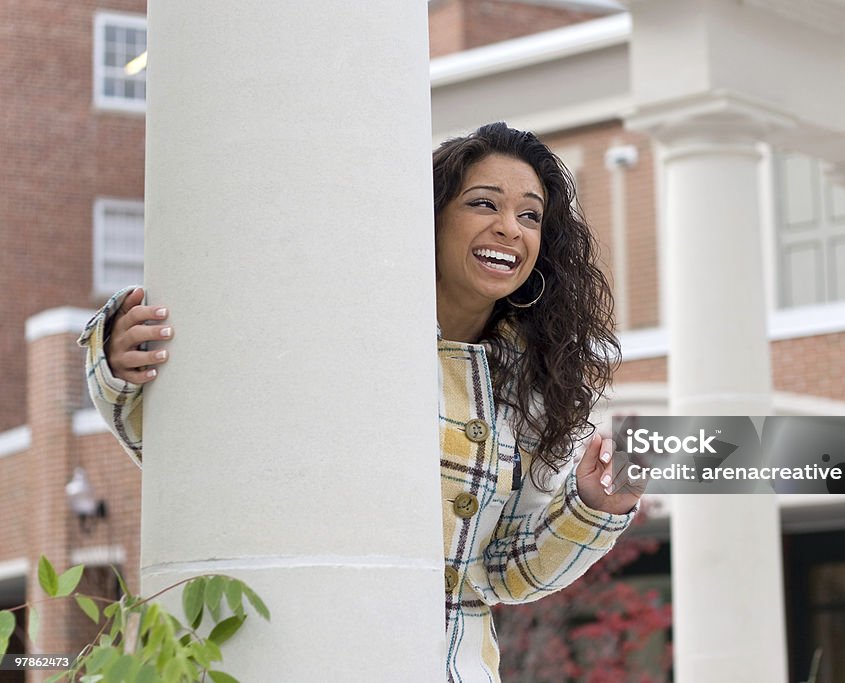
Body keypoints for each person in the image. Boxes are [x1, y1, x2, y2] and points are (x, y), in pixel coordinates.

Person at [77, 121, 644, 681]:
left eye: (530, 216)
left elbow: (501, 575)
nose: (509, 229)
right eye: (483, 204)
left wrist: (594, 504)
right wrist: (118, 362)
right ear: (429, 216)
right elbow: (196, 452)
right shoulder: (342, 333)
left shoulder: (533, 384)